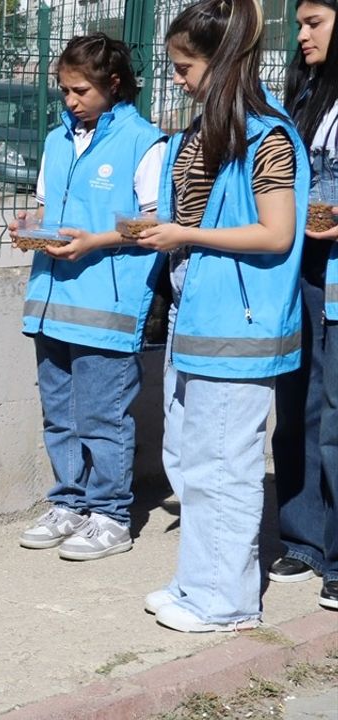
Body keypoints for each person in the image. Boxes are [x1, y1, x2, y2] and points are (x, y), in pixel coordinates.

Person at [137, 0, 309, 632]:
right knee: (189, 458)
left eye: (186, 67)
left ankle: (229, 603)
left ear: (224, 59)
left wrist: (185, 231)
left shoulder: (268, 136)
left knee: (225, 463)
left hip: (240, 325)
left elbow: (276, 233)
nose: (178, 79)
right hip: (195, 314)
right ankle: (198, 582)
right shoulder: (204, 130)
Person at [7, 34, 167, 562]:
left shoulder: (145, 142)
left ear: (113, 84)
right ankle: (69, 503)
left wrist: (96, 241)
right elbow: (47, 207)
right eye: (64, 90)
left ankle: (111, 514)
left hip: (109, 307)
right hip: (51, 300)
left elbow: (156, 223)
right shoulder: (57, 140)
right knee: (59, 413)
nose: (70, 100)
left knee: (103, 415)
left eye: (80, 90)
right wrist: (29, 227)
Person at [271, 0, 338, 611]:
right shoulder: (303, 93)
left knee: (336, 412)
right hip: (302, 269)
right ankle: (302, 537)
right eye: (298, 23)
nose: (301, 35)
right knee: (297, 402)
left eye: (313, 22)